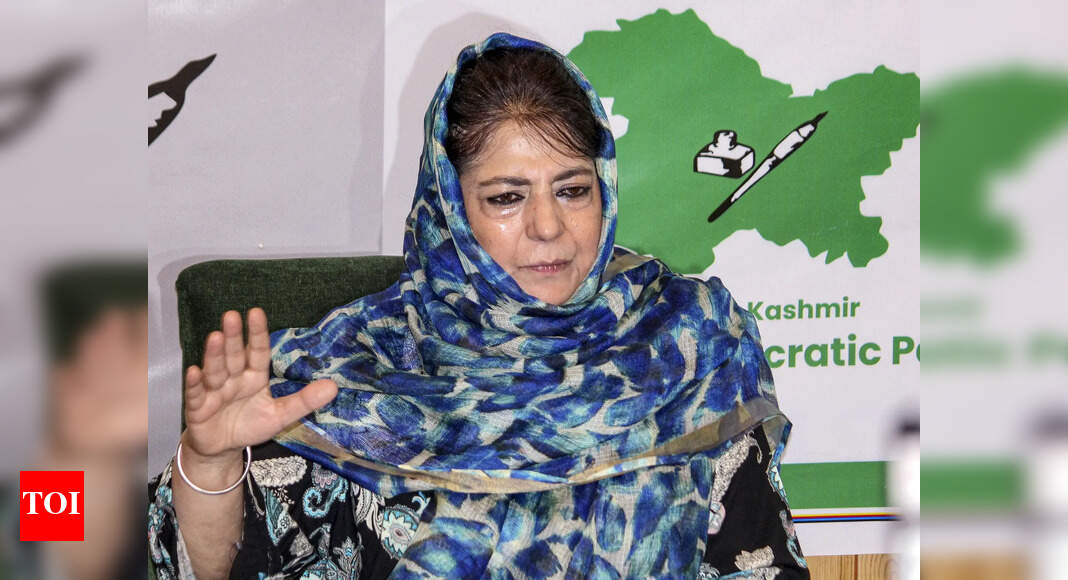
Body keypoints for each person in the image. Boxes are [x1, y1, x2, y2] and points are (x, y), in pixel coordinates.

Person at [149, 33, 809, 579]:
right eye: (506, 198)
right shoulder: (340, 380)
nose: (548, 227)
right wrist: (210, 465)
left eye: (573, 190)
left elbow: (760, 563)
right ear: (449, 211)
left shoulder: (687, 342)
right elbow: (216, 569)